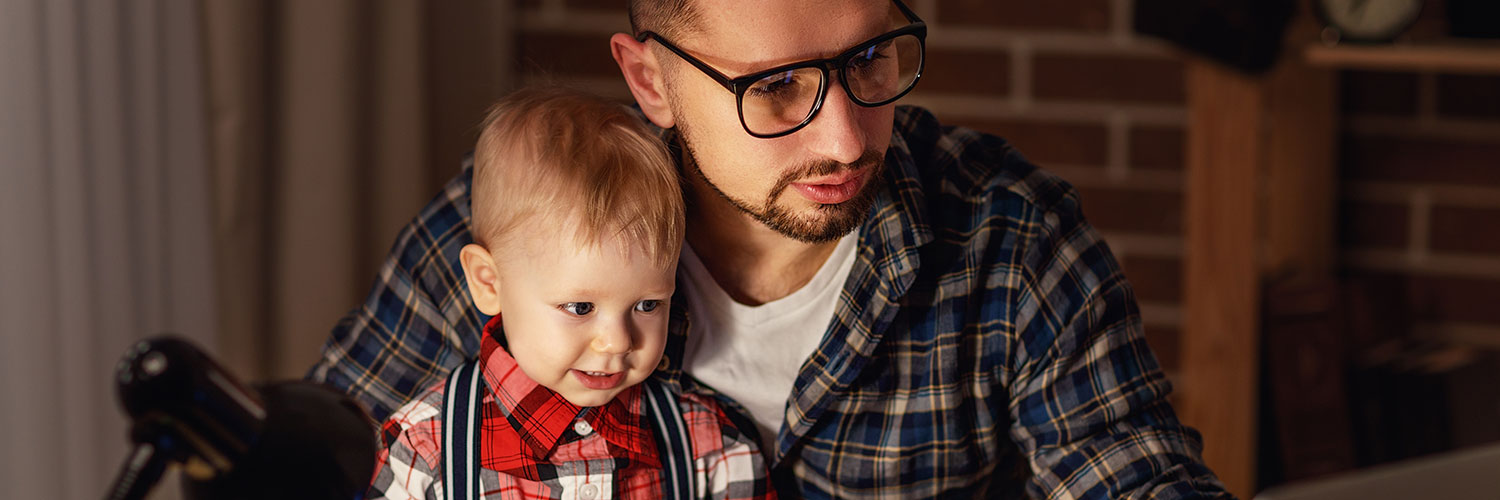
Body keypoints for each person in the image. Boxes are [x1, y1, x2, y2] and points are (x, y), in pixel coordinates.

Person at [314, 0, 1233, 497]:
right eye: (778, 86)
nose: (843, 139)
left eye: (870, 61)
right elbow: (330, 456)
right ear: (651, 80)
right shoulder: (524, 228)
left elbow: (1134, 475)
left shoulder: (1010, 242)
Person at [365, 88, 774, 500]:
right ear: (489, 283)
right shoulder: (423, 450)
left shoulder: (709, 445)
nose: (618, 340)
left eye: (648, 304)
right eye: (580, 307)